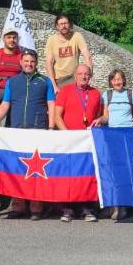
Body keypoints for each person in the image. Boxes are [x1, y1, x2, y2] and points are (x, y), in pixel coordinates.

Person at [0, 49, 56, 220]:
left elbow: (51, 104)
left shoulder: (45, 81)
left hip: (37, 130)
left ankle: (36, 206)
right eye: (26, 61)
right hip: (16, 131)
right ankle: (18, 205)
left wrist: (52, 128)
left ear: (36, 63)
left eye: (32, 61)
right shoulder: (13, 82)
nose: (29, 64)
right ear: (21, 62)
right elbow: (5, 105)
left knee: (36, 171)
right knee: (17, 170)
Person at [54, 64, 103, 222]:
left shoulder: (96, 93)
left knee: (86, 175)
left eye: (86, 74)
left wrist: (100, 120)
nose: (83, 77)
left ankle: (86, 208)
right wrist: (67, 134)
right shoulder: (65, 91)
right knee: (69, 175)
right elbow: (57, 116)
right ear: (75, 76)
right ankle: (67, 209)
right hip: (69, 140)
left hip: (88, 142)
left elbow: (101, 116)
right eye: (80, 74)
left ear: (90, 76)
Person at [92, 68, 133, 220]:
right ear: (111, 82)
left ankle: (124, 206)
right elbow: (106, 117)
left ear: (124, 80)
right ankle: (114, 206)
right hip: (112, 137)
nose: (117, 82)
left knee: (126, 172)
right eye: (114, 80)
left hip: (128, 136)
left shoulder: (131, 94)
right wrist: (100, 120)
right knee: (113, 171)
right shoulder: (107, 95)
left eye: (119, 79)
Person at [45, 14, 92, 93]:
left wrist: (89, 76)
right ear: (57, 26)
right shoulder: (52, 40)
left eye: (66, 23)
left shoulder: (77, 36)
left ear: (69, 24)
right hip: (59, 80)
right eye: (61, 24)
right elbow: (48, 63)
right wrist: (54, 85)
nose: (64, 26)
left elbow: (87, 57)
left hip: (75, 78)